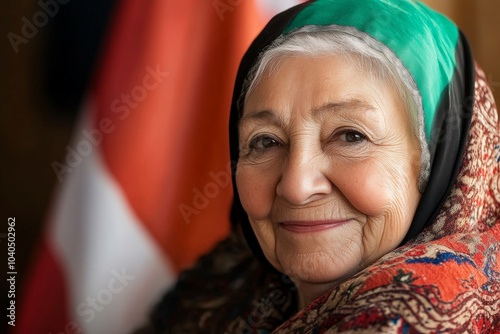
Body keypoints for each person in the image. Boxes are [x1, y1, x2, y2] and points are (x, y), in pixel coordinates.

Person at [134, 0, 500, 332]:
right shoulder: (220, 286)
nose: (296, 185)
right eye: (266, 141)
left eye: (350, 136)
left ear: (445, 166)